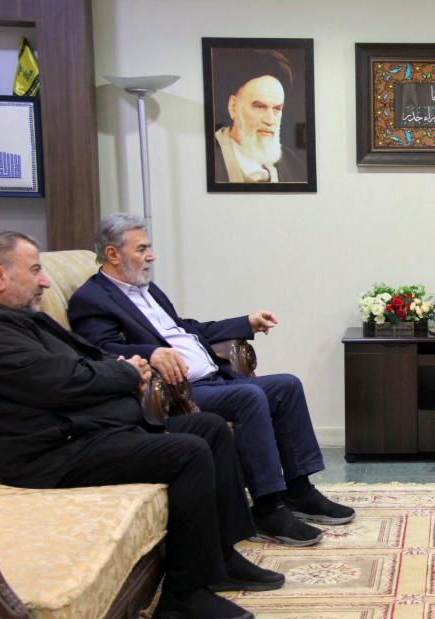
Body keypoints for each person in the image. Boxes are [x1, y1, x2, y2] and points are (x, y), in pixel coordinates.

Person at [0, 231, 284, 619]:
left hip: (84, 434)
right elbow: (63, 382)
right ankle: (183, 597)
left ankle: (221, 558)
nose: (45, 281)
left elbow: (84, 357)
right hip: (53, 457)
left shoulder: (17, 319)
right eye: (35, 270)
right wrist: (127, 372)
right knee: (188, 453)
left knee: (208, 427)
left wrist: (127, 367)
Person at [68, 213, 354, 548]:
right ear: (113, 254)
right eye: (142, 248)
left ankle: (299, 490)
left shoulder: (148, 290)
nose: (151, 256)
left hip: (214, 379)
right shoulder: (92, 299)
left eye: (150, 247)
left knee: (287, 385)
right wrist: (151, 352)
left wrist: (245, 322)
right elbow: (101, 350)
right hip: (179, 392)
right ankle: (267, 508)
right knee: (249, 397)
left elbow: (187, 329)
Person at [212, 49, 307, 183]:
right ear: (233, 107)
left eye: (277, 109)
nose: (270, 120)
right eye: (260, 107)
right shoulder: (209, 158)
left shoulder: (294, 165)